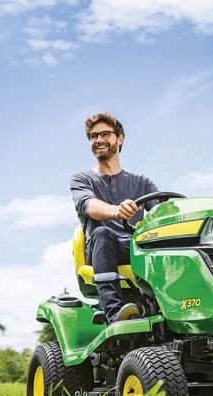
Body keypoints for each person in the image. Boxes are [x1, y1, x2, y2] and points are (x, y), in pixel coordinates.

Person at [69, 112, 159, 323]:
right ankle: (115, 312)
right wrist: (117, 210)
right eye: (93, 136)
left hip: (135, 247)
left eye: (105, 134)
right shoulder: (82, 179)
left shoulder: (142, 182)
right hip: (103, 249)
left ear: (120, 138)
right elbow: (89, 205)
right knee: (102, 233)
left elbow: (162, 212)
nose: (98, 140)